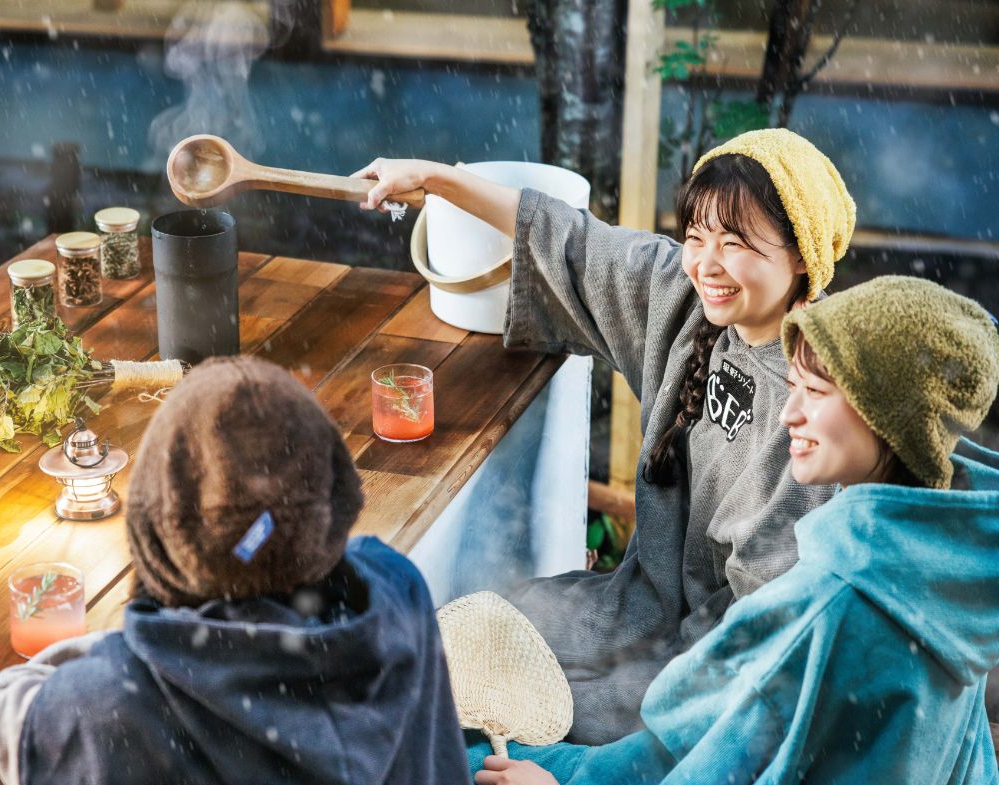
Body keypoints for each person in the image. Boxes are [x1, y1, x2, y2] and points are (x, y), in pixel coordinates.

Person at [355, 128, 856, 743]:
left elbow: (765, 628)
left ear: (802, 254)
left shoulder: (813, 405)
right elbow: (568, 239)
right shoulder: (686, 296)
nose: (708, 263)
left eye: (736, 242)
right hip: (633, 603)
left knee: (489, 729)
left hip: (711, 663)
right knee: (448, 649)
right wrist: (435, 177)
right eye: (697, 237)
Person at [470, 275, 999, 784]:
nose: (790, 413)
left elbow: (702, 758)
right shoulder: (950, 556)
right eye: (792, 386)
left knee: (466, 747)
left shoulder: (829, 607)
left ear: (890, 418)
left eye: (815, 392)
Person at [0, 356, 470, 785]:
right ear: (339, 494)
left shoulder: (101, 703)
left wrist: (138, 641)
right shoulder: (396, 590)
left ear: (152, 528)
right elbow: (317, 548)